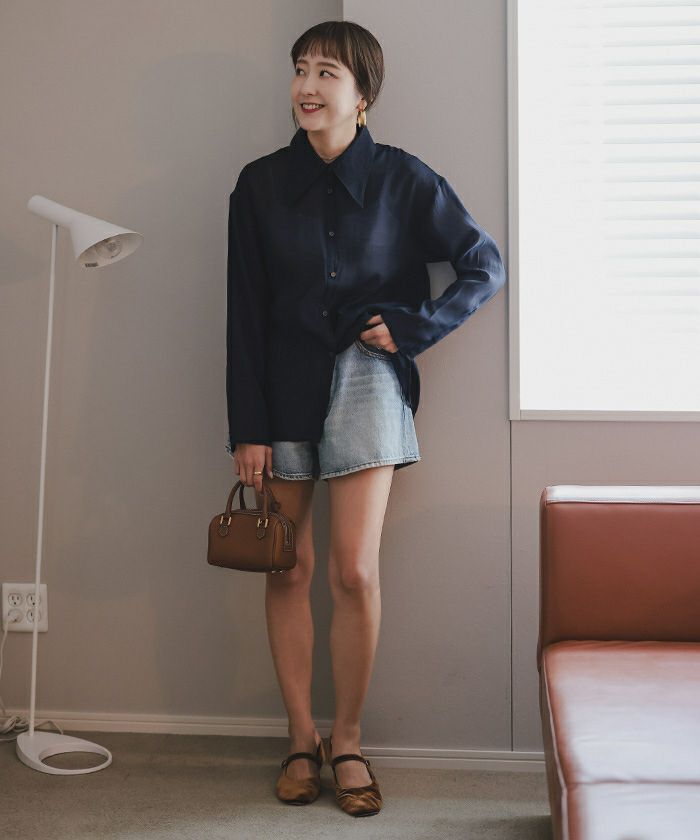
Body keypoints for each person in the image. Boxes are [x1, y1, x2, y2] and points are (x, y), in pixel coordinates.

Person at [225, 20, 506, 817]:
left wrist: (414, 327)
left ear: (363, 94)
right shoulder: (258, 185)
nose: (307, 86)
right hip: (281, 384)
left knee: (353, 571)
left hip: (367, 380)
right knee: (287, 566)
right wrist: (247, 426)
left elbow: (484, 264)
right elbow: (244, 312)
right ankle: (299, 740)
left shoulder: (404, 179)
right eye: (301, 69)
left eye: (327, 72)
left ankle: (347, 741)